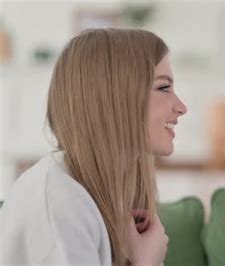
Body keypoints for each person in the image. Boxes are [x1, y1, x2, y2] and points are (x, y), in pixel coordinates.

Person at [1, 28, 187, 265]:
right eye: (163, 88)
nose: (181, 107)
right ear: (116, 96)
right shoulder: (59, 207)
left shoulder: (103, 191)